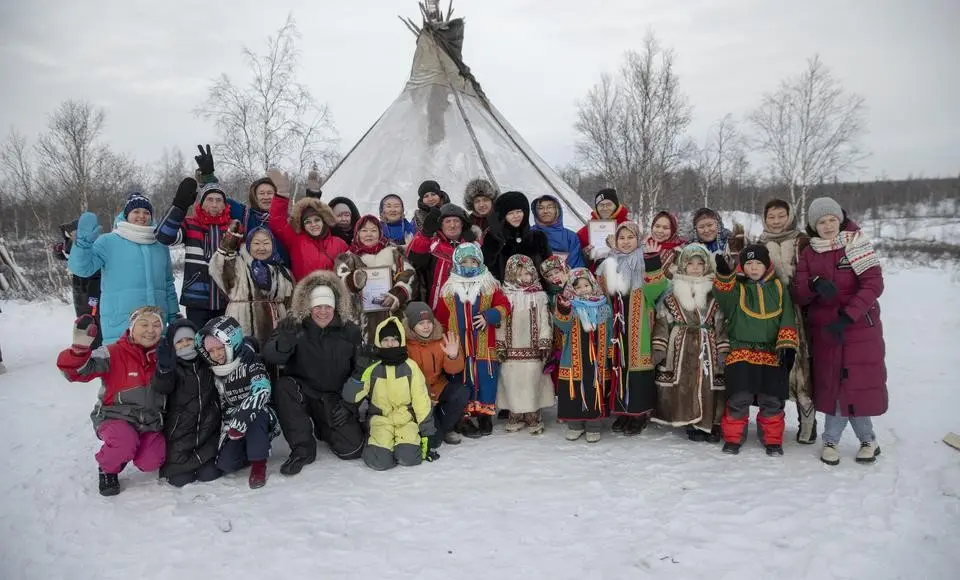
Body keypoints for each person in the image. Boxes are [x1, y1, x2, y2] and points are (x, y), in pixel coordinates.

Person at [793, 197, 886, 466]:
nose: (828, 225)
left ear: (840, 219)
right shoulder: (810, 253)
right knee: (834, 384)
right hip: (826, 328)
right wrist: (814, 285)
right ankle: (831, 440)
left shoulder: (856, 244)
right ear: (813, 225)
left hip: (859, 327)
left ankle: (868, 440)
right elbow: (799, 293)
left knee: (855, 385)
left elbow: (873, 284)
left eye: (832, 219)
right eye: (821, 221)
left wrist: (849, 314)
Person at [261, 271, 366, 476]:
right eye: (318, 306)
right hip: (304, 392)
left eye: (328, 306)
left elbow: (360, 371)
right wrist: (285, 340)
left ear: (335, 308)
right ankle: (303, 448)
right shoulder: (294, 327)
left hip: (335, 396)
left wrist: (349, 404)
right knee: (283, 387)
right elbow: (272, 356)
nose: (323, 312)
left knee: (352, 450)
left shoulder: (350, 331)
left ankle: (324, 427)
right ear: (309, 307)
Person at [56, 306, 167, 496]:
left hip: (150, 421)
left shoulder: (165, 354)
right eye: (144, 324)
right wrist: (79, 350)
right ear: (132, 327)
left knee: (152, 460)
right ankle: (107, 468)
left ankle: (125, 452)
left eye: (157, 325)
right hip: (115, 417)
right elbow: (74, 373)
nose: (151, 330)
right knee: (124, 441)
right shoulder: (112, 352)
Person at [713, 245, 798, 456]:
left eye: (758, 263)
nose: (753, 268)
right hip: (741, 351)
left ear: (767, 265)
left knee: (772, 400)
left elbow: (787, 316)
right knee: (738, 398)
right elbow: (722, 295)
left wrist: (787, 345)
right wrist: (724, 275)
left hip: (771, 353)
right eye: (749, 263)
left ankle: (772, 440)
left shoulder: (778, 288)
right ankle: (733, 438)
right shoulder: (738, 289)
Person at [69, 193, 179, 345]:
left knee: (156, 368)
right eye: (136, 212)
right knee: (124, 368)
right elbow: (82, 269)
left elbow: (167, 283)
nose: (142, 216)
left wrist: (174, 315)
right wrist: (83, 245)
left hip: (156, 327)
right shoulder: (108, 241)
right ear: (126, 215)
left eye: (146, 212)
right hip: (120, 328)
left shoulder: (160, 245)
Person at [651, 243, 728, 442]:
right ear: (683, 265)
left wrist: (723, 349)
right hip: (680, 347)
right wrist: (659, 347)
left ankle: (711, 422)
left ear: (706, 266)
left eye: (699, 263)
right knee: (684, 384)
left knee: (709, 384)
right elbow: (662, 321)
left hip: (707, 345)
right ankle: (689, 421)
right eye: (690, 263)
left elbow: (720, 322)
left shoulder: (714, 293)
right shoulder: (672, 293)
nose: (695, 267)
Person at [597, 222, 669, 435]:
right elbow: (600, 293)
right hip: (616, 328)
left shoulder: (644, 262)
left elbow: (657, 288)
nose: (626, 241)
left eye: (630, 237)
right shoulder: (608, 265)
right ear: (615, 241)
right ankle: (622, 412)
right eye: (622, 238)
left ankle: (638, 414)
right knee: (619, 367)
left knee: (638, 371)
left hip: (639, 327)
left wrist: (654, 261)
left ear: (637, 239)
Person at [435, 242, 511, 437]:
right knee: (461, 379)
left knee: (486, 379)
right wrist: (443, 341)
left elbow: (504, 306)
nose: (469, 265)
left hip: (485, 345)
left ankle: (485, 414)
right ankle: (463, 416)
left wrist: (489, 316)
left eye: (473, 261)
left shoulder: (489, 284)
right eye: (465, 261)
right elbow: (442, 317)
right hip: (458, 346)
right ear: (457, 262)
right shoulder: (449, 287)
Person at [758, 199, 816, 444]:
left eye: (781, 216)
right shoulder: (759, 243)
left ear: (790, 216)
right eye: (771, 217)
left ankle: (808, 421)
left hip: (800, 312)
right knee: (774, 365)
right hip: (769, 312)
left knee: (802, 368)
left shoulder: (803, 242)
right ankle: (773, 420)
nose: (777, 221)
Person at [343, 317, 437, 469]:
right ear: (380, 342)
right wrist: (359, 373)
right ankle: (379, 445)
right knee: (379, 462)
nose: (390, 343)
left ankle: (401, 446)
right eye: (385, 339)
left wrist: (427, 432)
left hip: (405, 420)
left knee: (410, 458)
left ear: (400, 341)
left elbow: (421, 400)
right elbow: (351, 397)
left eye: (394, 339)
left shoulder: (410, 367)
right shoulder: (373, 367)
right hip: (380, 420)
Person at [196, 315, 277, 489]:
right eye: (211, 351)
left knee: (256, 418)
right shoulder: (214, 370)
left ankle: (258, 464)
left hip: (259, 412)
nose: (217, 354)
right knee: (226, 464)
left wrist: (244, 415)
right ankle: (249, 451)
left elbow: (262, 389)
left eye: (220, 348)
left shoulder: (250, 361)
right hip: (231, 420)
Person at [152, 319, 222, 487]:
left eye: (189, 340)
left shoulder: (207, 362)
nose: (185, 345)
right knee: (180, 480)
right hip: (180, 436)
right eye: (179, 342)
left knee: (209, 474)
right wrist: (164, 369)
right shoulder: (172, 368)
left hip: (208, 433)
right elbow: (162, 387)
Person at [156, 173, 233, 327]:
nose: (214, 204)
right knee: (198, 344)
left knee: (225, 346)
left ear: (225, 205)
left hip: (227, 299)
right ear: (202, 203)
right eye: (209, 200)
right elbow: (164, 236)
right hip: (197, 299)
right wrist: (179, 206)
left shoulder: (233, 227)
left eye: (219, 200)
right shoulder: (190, 224)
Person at [334, 215, 416, 345]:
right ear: (357, 233)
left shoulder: (393, 252)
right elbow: (340, 278)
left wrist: (397, 294)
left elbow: (409, 273)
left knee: (393, 351)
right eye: (364, 230)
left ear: (380, 233)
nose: (369, 234)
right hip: (362, 320)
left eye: (373, 230)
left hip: (392, 315)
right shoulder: (348, 257)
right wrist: (354, 281)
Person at [209, 223, 294, 346]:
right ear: (248, 244)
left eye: (266, 243)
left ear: (273, 245)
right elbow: (219, 268)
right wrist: (227, 244)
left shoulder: (282, 272)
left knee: (273, 361)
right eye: (256, 243)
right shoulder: (238, 265)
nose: (261, 248)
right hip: (243, 325)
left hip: (276, 330)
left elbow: (290, 303)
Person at [496, 255, 554, 434]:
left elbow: (545, 320)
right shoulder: (504, 295)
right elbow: (500, 323)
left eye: (527, 273)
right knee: (511, 379)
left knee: (532, 379)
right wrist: (500, 344)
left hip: (533, 349)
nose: (524, 277)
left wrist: (544, 342)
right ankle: (515, 412)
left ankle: (532, 412)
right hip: (512, 349)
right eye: (518, 273)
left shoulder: (540, 296)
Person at [553, 268, 613, 442]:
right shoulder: (570, 306)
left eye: (586, 285)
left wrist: (609, 352)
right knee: (574, 391)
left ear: (593, 284)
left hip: (597, 359)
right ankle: (575, 425)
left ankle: (593, 425)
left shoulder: (603, 306)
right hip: (573, 358)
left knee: (594, 388)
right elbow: (562, 325)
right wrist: (563, 309)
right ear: (572, 289)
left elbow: (609, 331)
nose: (584, 289)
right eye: (578, 287)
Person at [404, 301, 470, 450]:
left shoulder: (442, 339)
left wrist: (453, 356)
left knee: (462, 392)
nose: (426, 326)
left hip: (438, 387)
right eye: (421, 323)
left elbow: (454, 370)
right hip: (416, 394)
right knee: (435, 441)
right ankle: (435, 425)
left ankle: (445, 427)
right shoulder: (404, 344)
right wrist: (424, 396)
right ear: (412, 325)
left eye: (429, 322)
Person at [266, 170, 349, 281]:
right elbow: (277, 223)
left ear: (323, 221)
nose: (313, 224)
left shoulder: (340, 243)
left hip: (333, 294)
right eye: (307, 222)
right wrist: (282, 195)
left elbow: (350, 268)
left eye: (317, 220)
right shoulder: (296, 240)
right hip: (305, 294)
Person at [406, 203, 477, 311]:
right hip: (438, 308)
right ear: (441, 225)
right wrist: (425, 234)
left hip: (467, 308)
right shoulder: (432, 247)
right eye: (447, 221)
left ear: (462, 224)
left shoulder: (474, 247)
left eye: (456, 221)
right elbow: (415, 259)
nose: (452, 225)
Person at [482, 190, 552, 282]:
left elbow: (549, 269)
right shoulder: (494, 238)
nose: (515, 216)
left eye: (518, 211)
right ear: (503, 216)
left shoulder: (538, 238)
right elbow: (486, 269)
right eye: (510, 213)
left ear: (525, 212)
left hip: (535, 293)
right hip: (504, 293)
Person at [54, 219, 103, 348]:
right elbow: (64, 254)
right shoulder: (72, 244)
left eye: (76, 232)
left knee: (95, 317)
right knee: (84, 318)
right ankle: (85, 346)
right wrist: (60, 248)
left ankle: (96, 345)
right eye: (72, 233)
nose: (74, 235)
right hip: (80, 289)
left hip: (94, 287)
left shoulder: (97, 243)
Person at [576, 188, 630, 271]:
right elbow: (577, 261)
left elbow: (638, 254)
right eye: (601, 205)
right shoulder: (584, 232)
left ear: (616, 205)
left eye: (609, 204)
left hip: (624, 275)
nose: (605, 208)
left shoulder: (629, 227)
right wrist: (585, 255)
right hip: (595, 278)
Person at [531, 194, 585, 270]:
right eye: (541, 208)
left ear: (557, 210)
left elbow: (577, 266)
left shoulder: (570, 237)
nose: (545, 211)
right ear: (535, 212)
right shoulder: (529, 234)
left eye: (550, 207)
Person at [646, 211, 687, 276]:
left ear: (672, 230)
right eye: (657, 226)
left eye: (665, 228)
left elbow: (671, 280)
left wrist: (653, 259)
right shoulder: (644, 246)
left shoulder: (678, 253)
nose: (660, 231)